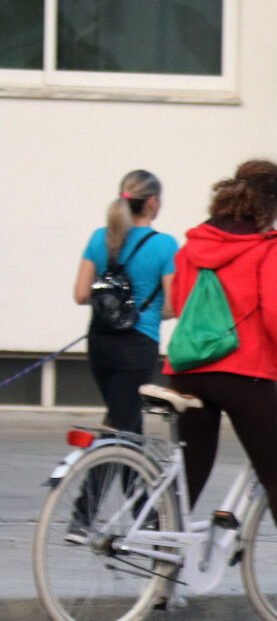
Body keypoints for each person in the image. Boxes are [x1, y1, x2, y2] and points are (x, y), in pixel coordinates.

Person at [164, 160, 277, 613]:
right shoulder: (268, 247)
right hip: (245, 372)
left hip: (187, 370)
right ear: (275, 202)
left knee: (192, 471)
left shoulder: (193, 243)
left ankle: (163, 574)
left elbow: (180, 302)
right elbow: (276, 312)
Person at [73, 171, 180, 434]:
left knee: (126, 420)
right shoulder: (165, 245)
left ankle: (133, 476)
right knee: (120, 426)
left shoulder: (100, 237)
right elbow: (176, 304)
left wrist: (112, 304)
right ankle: (89, 476)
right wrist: (157, 310)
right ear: (152, 202)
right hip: (138, 344)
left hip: (99, 340)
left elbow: (81, 294)